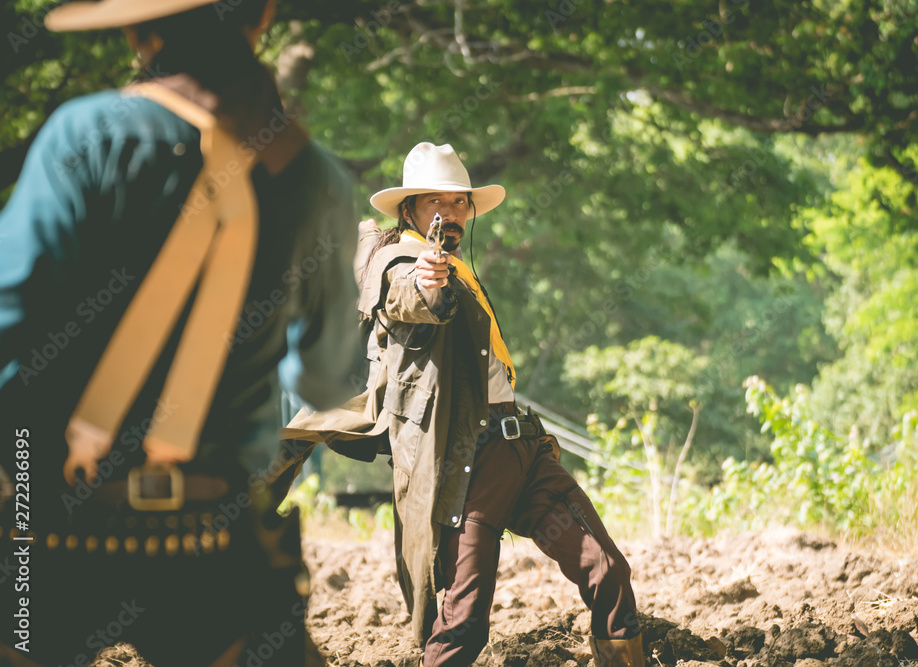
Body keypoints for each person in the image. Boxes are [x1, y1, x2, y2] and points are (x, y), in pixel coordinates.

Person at [0, 0, 360, 664]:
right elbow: (329, 377)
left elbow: (9, 327)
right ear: (261, 19)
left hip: (45, 538)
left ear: (139, 29)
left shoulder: (85, 135)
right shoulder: (319, 179)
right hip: (216, 547)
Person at [285, 142, 645, 666]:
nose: (450, 214)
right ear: (410, 209)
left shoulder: (459, 267)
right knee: (461, 624)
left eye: (459, 204)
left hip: (521, 452)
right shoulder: (403, 261)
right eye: (437, 202)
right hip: (465, 464)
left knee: (607, 570)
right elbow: (408, 293)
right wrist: (428, 286)